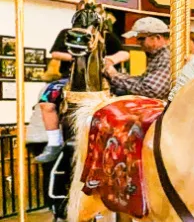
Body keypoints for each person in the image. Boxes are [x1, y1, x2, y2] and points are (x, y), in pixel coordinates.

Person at [34, 10, 128, 167]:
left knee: (123, 96)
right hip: (69, 77)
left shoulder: (105, 36)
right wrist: (76, 57)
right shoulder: (67, 33)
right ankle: (54, 143)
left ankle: (121, 139)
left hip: (101, 77)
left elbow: (124, 53)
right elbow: (55, 52)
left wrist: (110, 59)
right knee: (46, 101)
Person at [106, 17, 172, 100]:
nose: (138, 42)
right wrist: (116, 76)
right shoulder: (157, 56)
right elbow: (142, 81)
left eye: (141, 39)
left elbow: (150, 91)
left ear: (157, 38)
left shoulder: (165, 58)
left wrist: (114, 76)